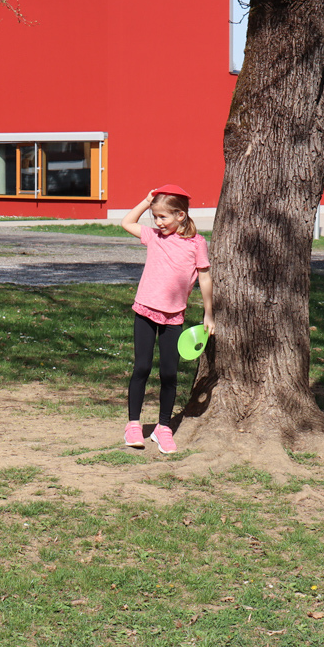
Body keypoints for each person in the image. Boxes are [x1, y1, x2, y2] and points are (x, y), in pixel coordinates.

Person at [120, 184, 214, 454]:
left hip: (174, 316)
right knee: (141, 368)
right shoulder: (153, 237)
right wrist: (146, 200)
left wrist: (209, 312)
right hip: (145, 311)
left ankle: (163, 428)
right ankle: (133, 425)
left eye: (163, 217)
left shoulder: (196, 243)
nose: (158, 222)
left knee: (169, 374)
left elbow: (205, 278)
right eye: (155, 217)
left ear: (180, 215)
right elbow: (127, 222)